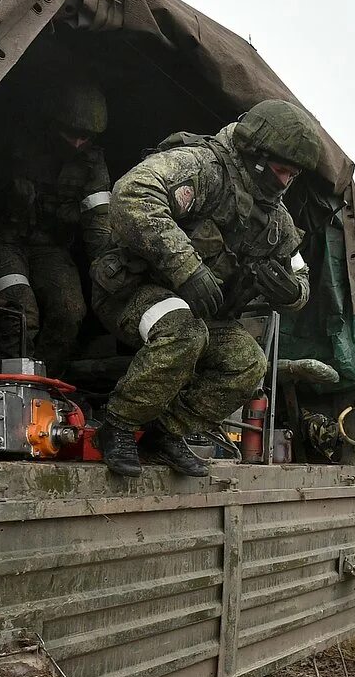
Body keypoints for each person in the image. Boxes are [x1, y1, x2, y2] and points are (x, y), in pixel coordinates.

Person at [90, 99, 322, 478]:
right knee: (184, 330)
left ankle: (165, 434)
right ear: (256, 154)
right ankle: (117, 426)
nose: (284, 182)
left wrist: (291, 292)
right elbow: (134, 193)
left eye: (292, 175)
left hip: (199, 311)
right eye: (280, 170)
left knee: (248, 362)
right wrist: (187, 268)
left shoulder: (275, 218)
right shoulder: (203, 167)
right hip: (132, 293)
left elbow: (300, 276)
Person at [0, 71, 111, 376]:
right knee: (19, 309)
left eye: (86, 136)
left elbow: (99, 223)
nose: (78, 142)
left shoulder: (91, 163)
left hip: (50, 249)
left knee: (70, 312)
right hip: (0, 239)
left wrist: (106, 267)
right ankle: (8, 387)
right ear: (53, 121)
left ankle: (42, 384)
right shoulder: (8, 138)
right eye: (72, 132)